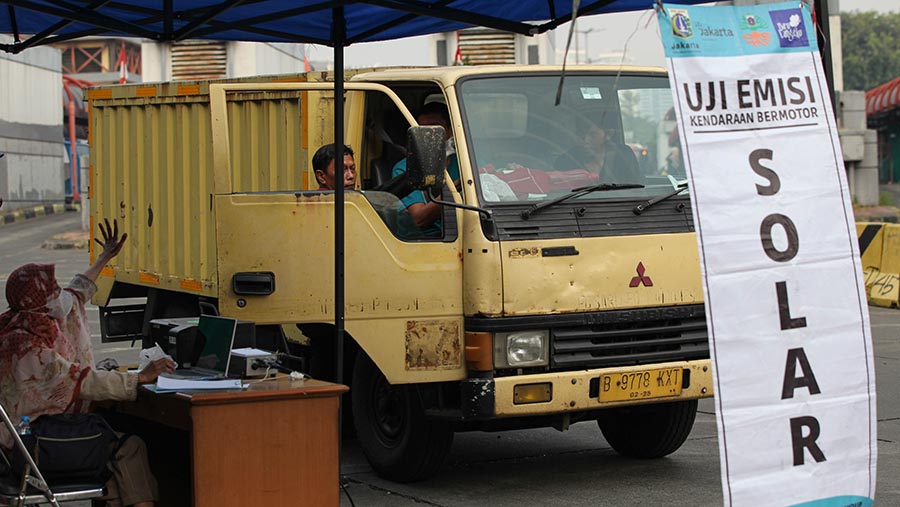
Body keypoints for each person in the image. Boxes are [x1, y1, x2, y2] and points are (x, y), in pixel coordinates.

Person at [0, 219, 175, 507]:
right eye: (50, 291)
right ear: (37, 300)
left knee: (112, 464)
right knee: (130, 446)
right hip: (34, 447)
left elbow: (75, 294)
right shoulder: (29, 347)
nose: (58, 295)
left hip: (18, 443)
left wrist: (106, 257)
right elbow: (82, 380)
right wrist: (139, 378)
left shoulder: (14, 324)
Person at [390, 101, 460, 237]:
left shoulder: (463, 163)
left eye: (435, 129)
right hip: (426, 240)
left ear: (450, 131)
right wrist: (456, 189)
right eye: (422, 130)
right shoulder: (405, 168)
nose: (428, 135)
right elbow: (419, 219)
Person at [554, 114, 641, 184]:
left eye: (593, 135)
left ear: (608, 135)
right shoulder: (565, 161)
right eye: (581, 134)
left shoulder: (623, 155)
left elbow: (638, 188)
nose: (586, 140)